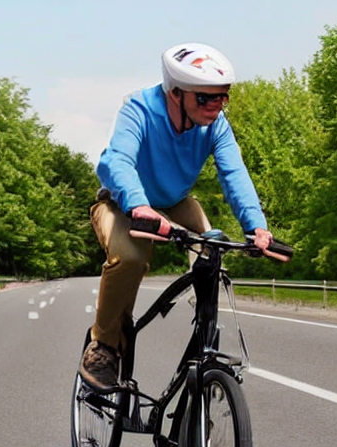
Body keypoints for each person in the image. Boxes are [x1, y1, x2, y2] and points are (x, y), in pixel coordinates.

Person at [80, 42, 274, 389]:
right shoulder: (138, 109)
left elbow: (234, 174)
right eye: (205, 98)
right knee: (129, 257)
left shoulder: (216, 125)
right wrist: (138, 205)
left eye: (222, 97)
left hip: (175, 203)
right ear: (175, 94)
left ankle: (204, 356)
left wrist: (257, 227)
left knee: (213, 250)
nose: (215, 107)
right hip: (122, 202)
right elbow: (116, 162)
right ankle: (104, 345)